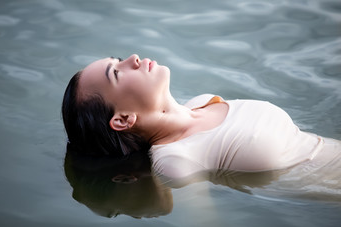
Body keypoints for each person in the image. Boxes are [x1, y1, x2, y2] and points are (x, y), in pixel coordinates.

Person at [62, 54, 341, 182]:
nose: (132, 58)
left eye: (118, 58)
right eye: (116, 73)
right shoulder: (176, 161)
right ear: (122, 120)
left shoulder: (203, 102)